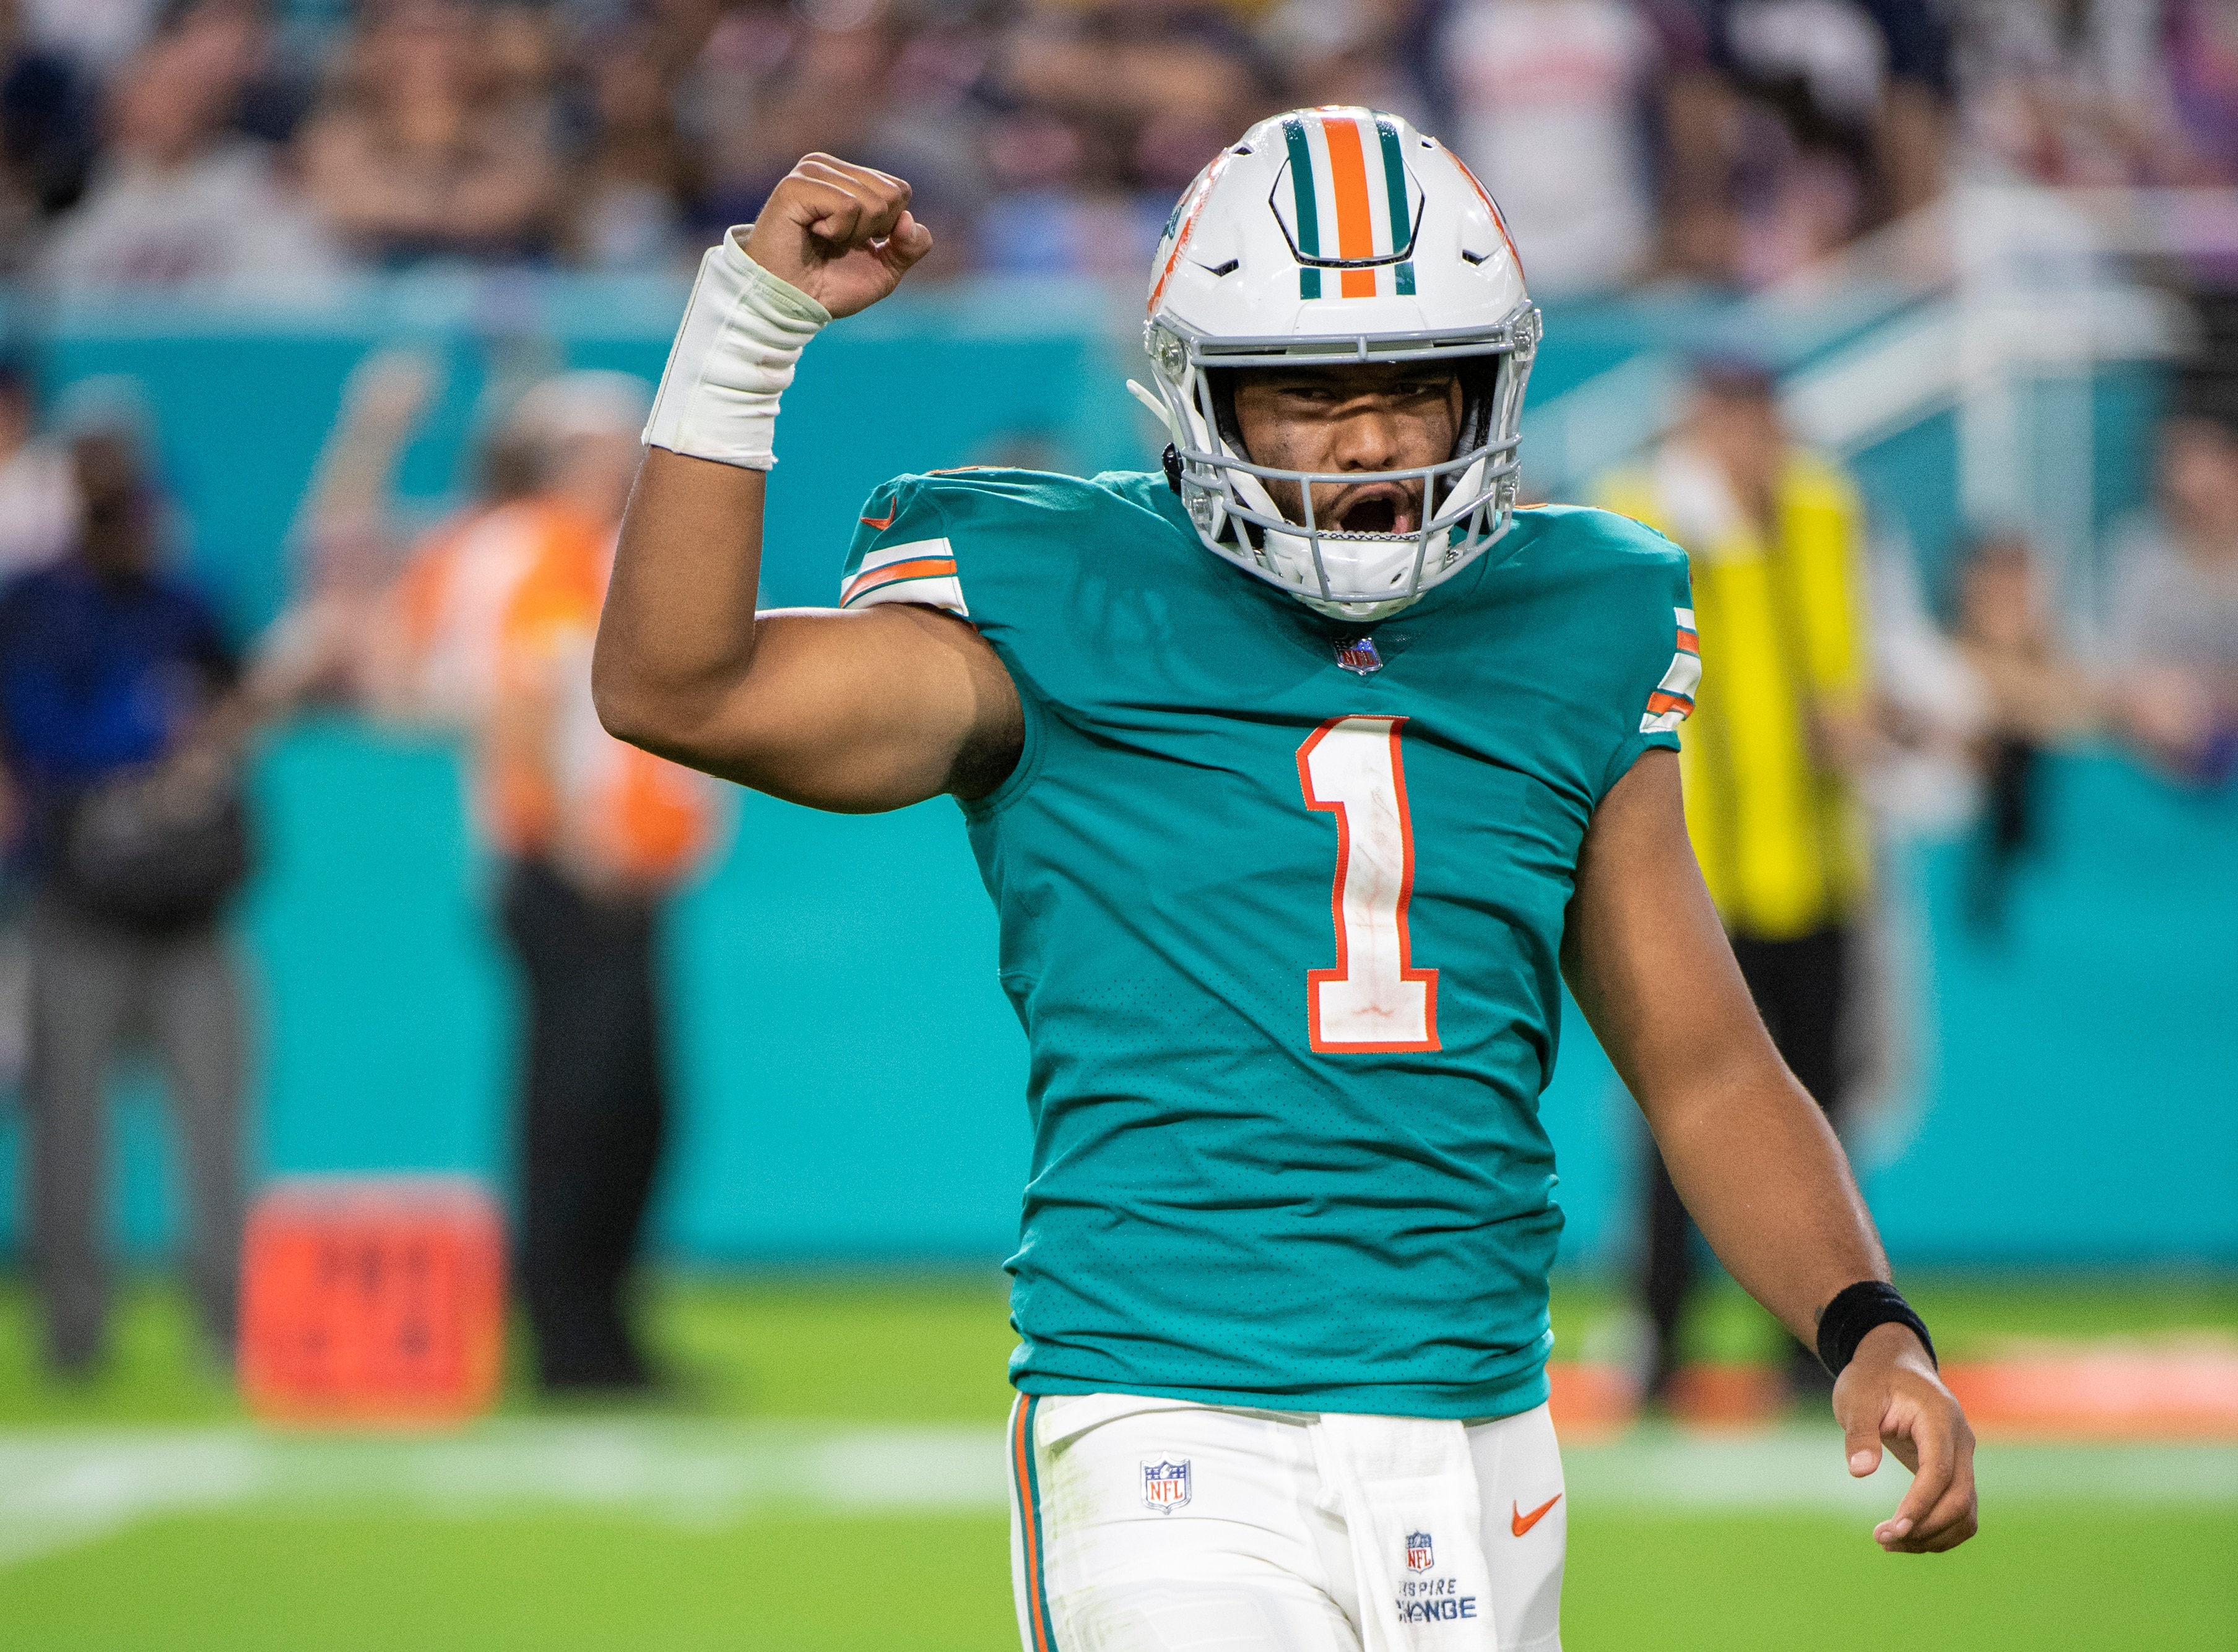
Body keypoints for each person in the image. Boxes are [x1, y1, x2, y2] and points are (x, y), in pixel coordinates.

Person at [596, 116, 1977, 1650]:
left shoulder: (1580, 613)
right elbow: (682, 688)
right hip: (1165, 1411)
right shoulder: (1060, 594)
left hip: (1475, 1422)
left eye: (1413, 384)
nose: (1374, 441)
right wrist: (748, 327)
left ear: (1492, 382)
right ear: (1204, 395)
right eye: (1313, 392)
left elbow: (1707, 1064)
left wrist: (1865, 1325)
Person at [1595, 358, 1878, 1406]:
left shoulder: (1821, 506)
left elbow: (1846, 649)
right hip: (1689, 867)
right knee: (1681, 1110)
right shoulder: (1648, 508)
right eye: (1732, 420)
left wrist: (1856, 713)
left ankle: (1818, 1347)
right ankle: (1663, 1338)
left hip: (1812, 860)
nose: (1753, 443)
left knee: (1816, 1110)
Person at [0, 384, 249, 1377]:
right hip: (75, 898)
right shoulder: (33, 603)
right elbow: (49, 738)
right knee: (68, 1127)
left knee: (214, 1122)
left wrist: (205, 748)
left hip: (187, 902)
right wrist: (157, 739)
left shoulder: (186, 596)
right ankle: (74, 1334)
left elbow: (230, 709)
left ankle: (224, 1329)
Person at [2104, 404, 2238, 784]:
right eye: (2174, 463)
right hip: (2155, 754)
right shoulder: (2136, 551)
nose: (2182, 481)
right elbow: (2116, 671)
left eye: (2201, 462)